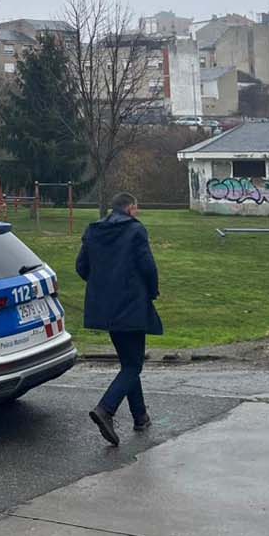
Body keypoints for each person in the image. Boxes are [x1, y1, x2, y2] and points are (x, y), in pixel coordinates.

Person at [75, 191, 162, 446]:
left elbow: (81, 267)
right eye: (137, 208)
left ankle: (140, 416)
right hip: (132, 305)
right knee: (134, 365)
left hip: (105, 307)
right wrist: (152, 291)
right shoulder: (136, 231)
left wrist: (102, 285)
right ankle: (106, 409)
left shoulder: (93, 231)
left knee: (128, 361)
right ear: (130, 208)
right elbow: (148, 267)